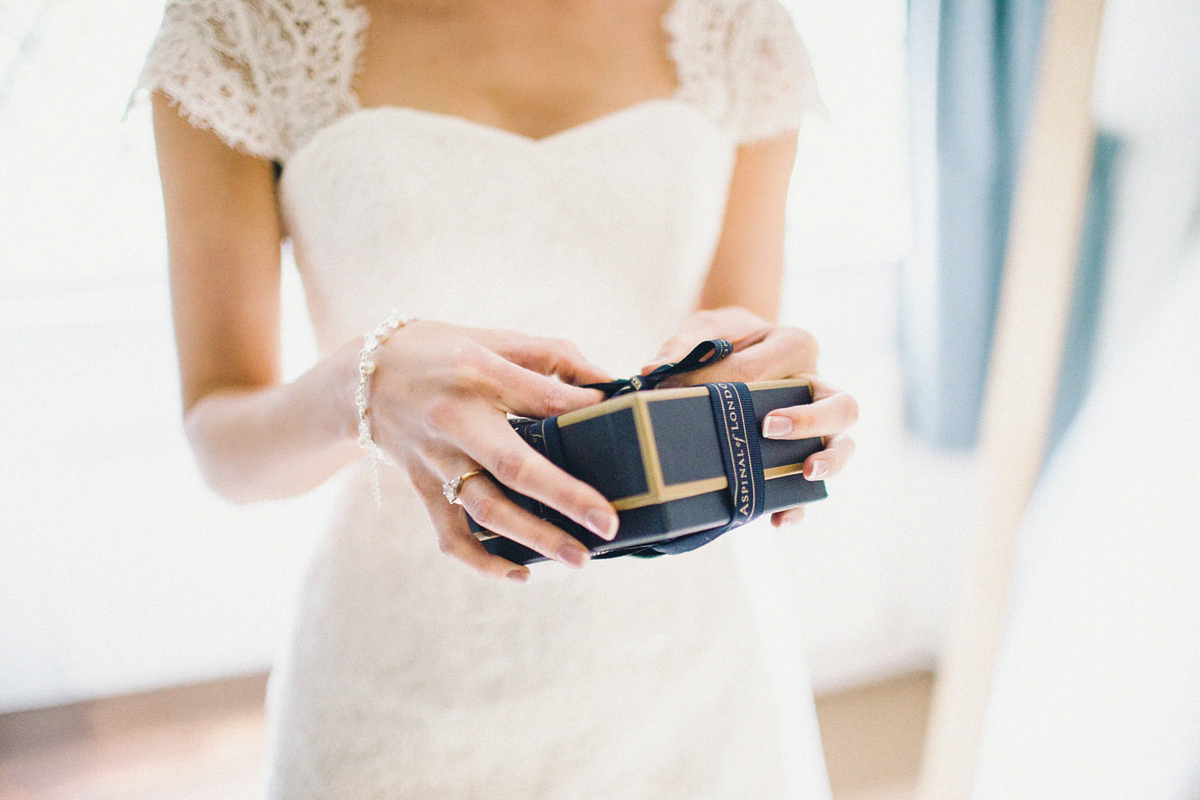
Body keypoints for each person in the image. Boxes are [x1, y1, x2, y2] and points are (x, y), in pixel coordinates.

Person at [136, 0, 859, 796]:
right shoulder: (239, 26)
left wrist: (770, 407)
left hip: (687, 671)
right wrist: (361, 387)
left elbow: (726, 359)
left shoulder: (736, 24)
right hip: (402, 685)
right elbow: (222, 443)